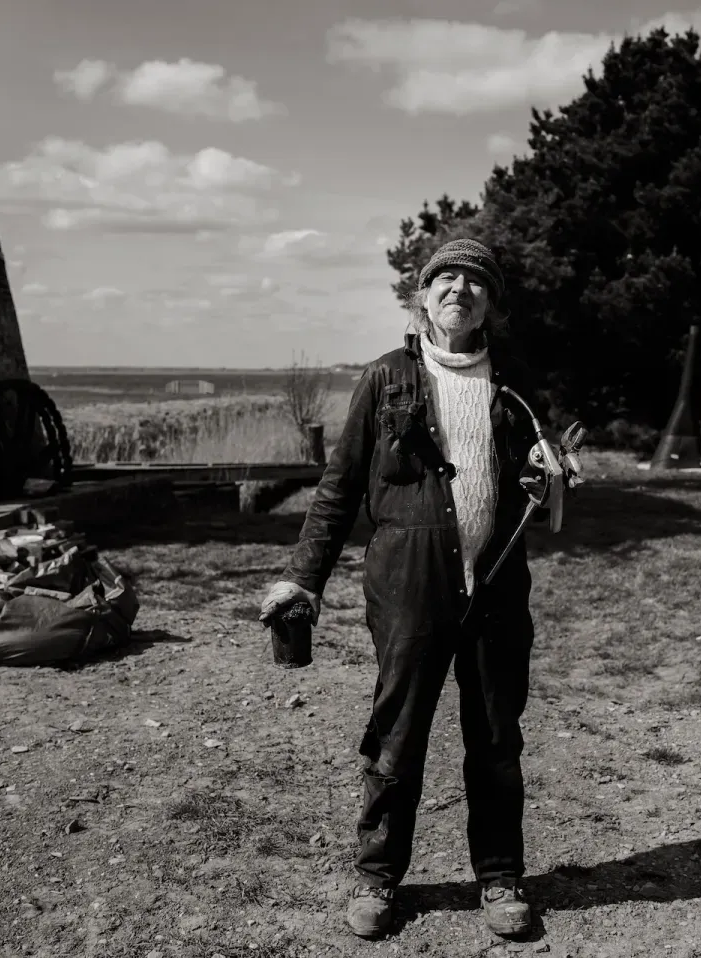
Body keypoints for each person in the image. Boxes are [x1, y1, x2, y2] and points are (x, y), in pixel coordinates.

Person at [259, 238, 543, 940]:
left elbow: (537, 474)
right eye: (445, 277)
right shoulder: (386, 378)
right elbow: (339, 488)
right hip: (408, 587)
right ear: (423, 295)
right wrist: (303, 577)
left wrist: (553, 474)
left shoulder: (514, 382)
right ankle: (378, 876)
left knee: (497, 740)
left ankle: (500, 877)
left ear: (491, 303)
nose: (459, 290)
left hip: (497, 588)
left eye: (475, 281)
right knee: (397, 737)